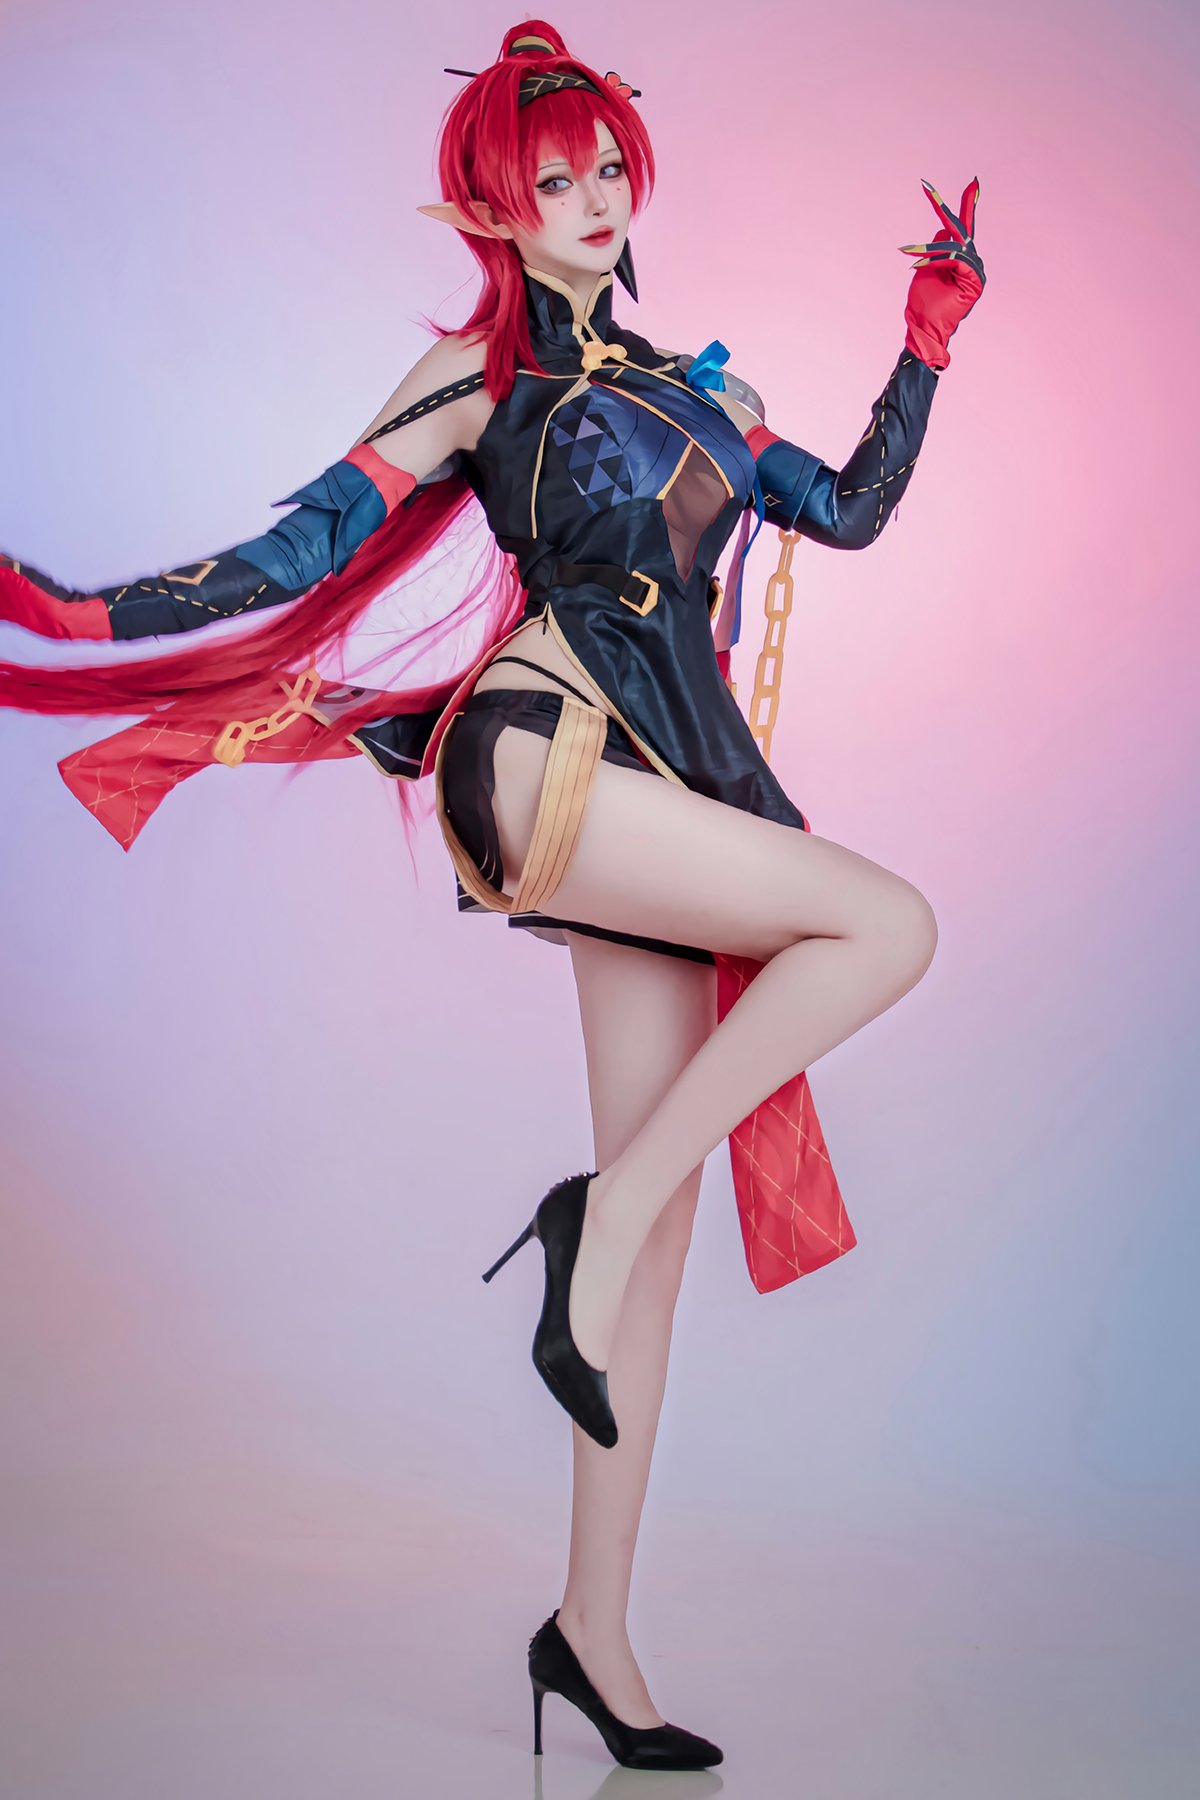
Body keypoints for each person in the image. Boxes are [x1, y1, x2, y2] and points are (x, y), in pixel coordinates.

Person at [0, 20, 985, 1770]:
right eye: (555, 179)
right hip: (541, 756)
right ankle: (592, 1217)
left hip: (664, 791)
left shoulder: (708, 394)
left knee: (655, 1252)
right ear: (494, 208)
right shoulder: (478, 379)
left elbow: (846, 512)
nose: (594, 200)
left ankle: (590, 1635)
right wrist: (82, 615)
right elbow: (298, 546)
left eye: (609, 169)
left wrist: (925, 345)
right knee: (883, 926)